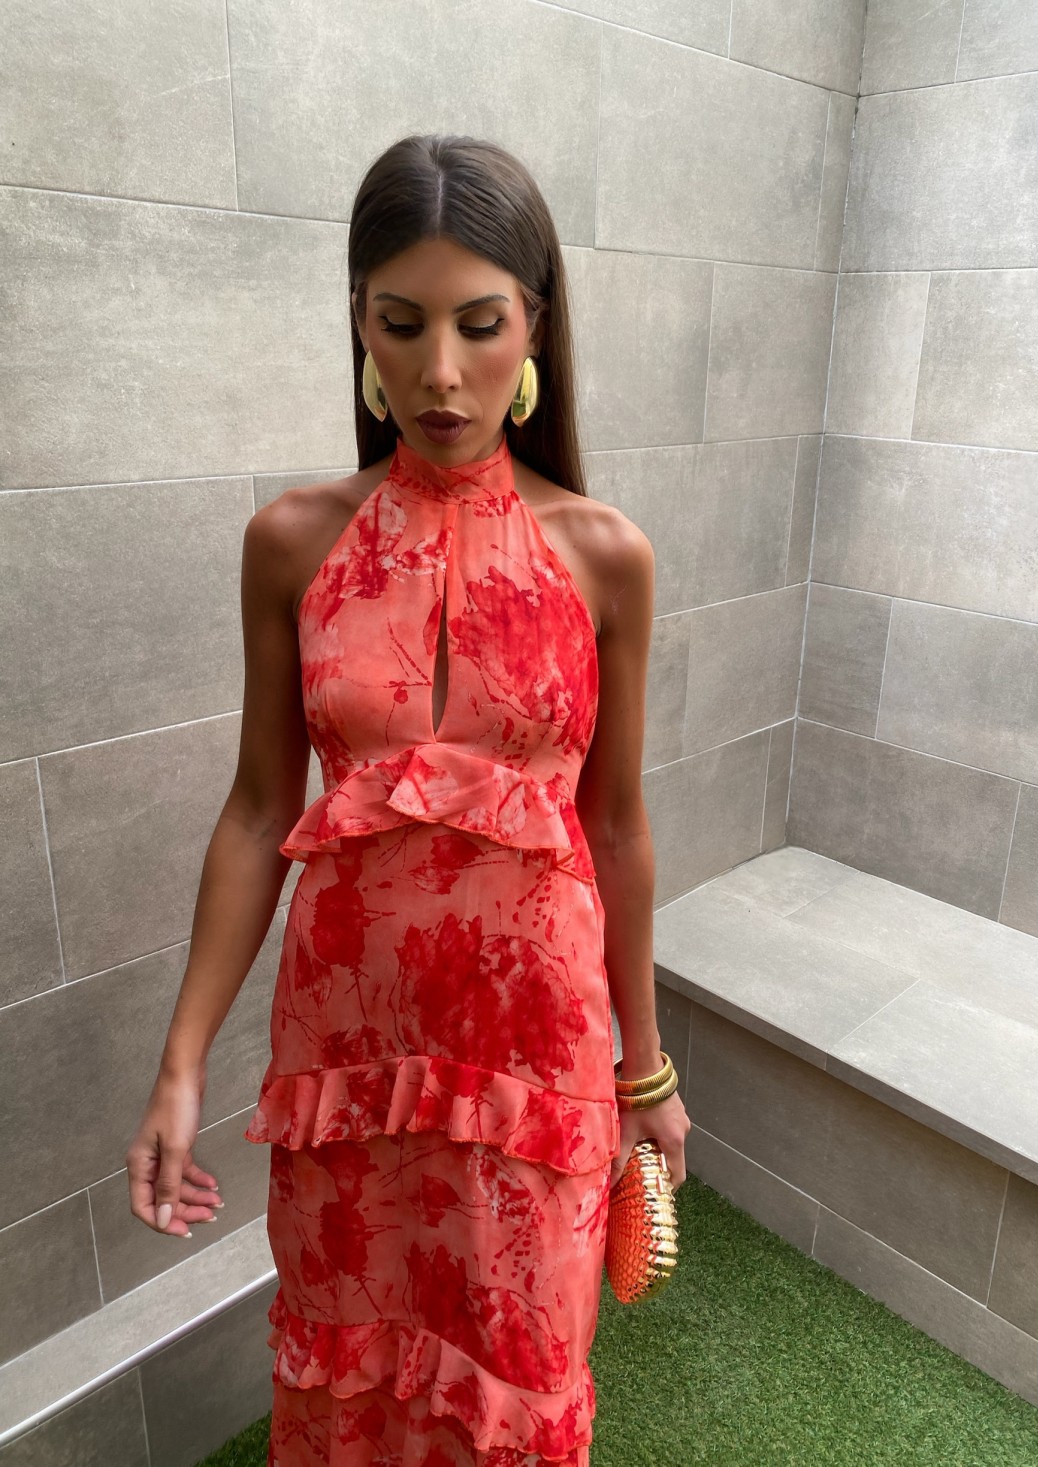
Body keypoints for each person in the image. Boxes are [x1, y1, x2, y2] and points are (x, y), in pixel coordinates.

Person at [126, 133, 691, 1466]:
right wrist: (180, 1061)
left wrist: (647, 1068)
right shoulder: (291, 543)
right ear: (359, 325)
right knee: (353, 1369)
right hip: (346, 1057)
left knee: (517, 1379)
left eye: (480, 326)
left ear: (534, 326)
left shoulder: (605, 557)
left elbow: (615, 829)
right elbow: (258, 813)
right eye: (403, 323)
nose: (441, 372)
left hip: (537, 1057)